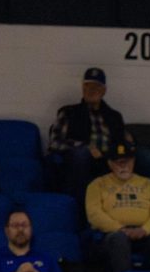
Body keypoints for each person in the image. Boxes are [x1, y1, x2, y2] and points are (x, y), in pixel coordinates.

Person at [86, 140, 150, 272]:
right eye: (118, 162)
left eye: (126, 161)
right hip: (114, 234)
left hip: (145, 233)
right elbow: (94, 214)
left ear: (133, 161)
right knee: (118, 239)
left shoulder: (148, 184)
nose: (123, 165)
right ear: (109, 163)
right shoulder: (97, 184)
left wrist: (145, 229)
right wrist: (120, 228)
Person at [48, 67, 127, 201]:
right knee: (81, 154)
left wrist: (120, 154)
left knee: (142, 156)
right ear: (82, 88)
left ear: (104, 91)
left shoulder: (114, 116)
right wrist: (86, 147)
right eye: (87, 86)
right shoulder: (69, 112)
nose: (91, 90)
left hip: (108, 158)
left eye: (96, 87)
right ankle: (81, 205)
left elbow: (121, 142)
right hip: (81, 159)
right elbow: (54, 142)